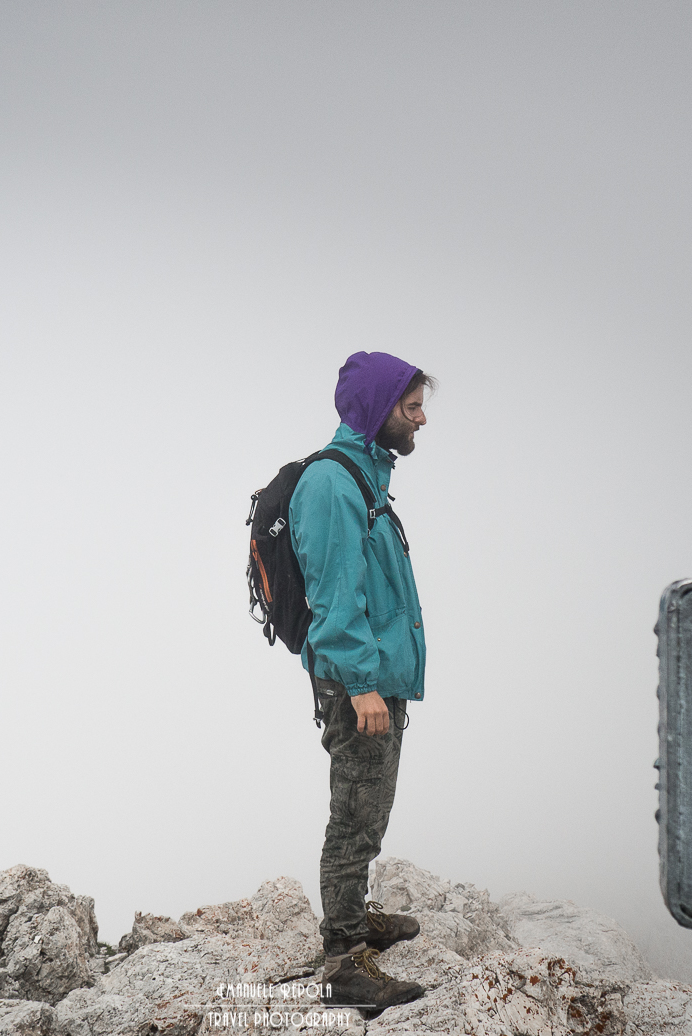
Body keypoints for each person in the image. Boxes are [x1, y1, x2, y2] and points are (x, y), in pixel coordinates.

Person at [290, 351, 433, 1016]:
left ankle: (355, 916)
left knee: (370, 811)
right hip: (359, 684)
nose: (422, 420)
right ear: (380, 409)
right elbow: (333, 595)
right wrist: (359, 683)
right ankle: (343, 961)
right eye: (412, 407)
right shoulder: (333, 484)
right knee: (353, 819)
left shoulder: (366, 476)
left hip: (375, 677)